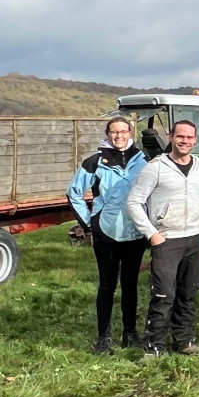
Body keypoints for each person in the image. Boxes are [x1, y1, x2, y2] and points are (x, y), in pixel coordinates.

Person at [125, 120, 199, 357]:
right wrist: (152, 233)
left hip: (196, 239)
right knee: (164, 294)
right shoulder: (155, 168)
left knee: (188, 292)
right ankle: (154, 346)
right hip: (166, 240)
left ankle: (184, 341)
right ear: (171, 137)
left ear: (195, 140)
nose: (185, 141)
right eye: (180, 137)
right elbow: (134, 202)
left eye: (189, 138)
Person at [67, 116, 149, 354]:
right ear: (107, 134)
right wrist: (90, 223)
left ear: (131, 132)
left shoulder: (144, 159)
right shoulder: (94, 162)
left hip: (135, 231)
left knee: (131, 284)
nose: (119, 136)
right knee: (107, 284)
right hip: (107, 232)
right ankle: (104, 337)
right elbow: (73, 193)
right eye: (114, 132)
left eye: (123, 131)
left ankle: (130, 333)